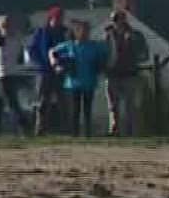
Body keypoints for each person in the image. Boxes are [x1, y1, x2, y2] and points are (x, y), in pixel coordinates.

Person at [50, 20, 108, 137]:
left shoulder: (94, 46)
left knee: (87, 109)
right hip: (73, 82)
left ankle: (87, 133)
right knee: (75, 109)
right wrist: (55, 63)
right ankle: (74, 133)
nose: (84, 33)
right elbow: (52, 51)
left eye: (86, 31)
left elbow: (105, 55)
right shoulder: (69, 45)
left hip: (89, 81)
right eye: (81, 31)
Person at [101, 9, 148, 137]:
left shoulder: (135, 35)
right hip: (112, 74)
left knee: (129, 106)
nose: (117, 22)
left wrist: (132, 42)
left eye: (119, 19)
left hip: (129, 74)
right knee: (113, 106)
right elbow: (102, 54)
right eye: (115, 20)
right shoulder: (107, 36)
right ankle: (114, 130)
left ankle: (130, 132)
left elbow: (143, 53)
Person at [26, 7, 69, 137]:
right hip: (44, 71)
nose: (59, 20)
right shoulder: (42, 32)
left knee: (63, 100)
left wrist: (63, 64)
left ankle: (66, 128)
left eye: (61, 18)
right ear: (51, 18)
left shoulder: (65, 32)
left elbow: (69, 49)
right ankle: (40, 128)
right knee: (42, 101)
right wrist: (42, 63)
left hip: (60, 71)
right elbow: (33, 50)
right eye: (57, 17)